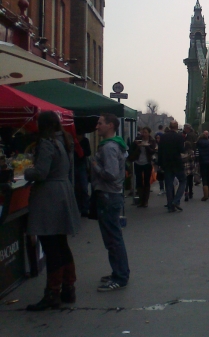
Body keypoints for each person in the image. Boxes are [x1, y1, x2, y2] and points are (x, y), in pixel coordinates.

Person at [24, 111, 81, 310]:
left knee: (51, 245)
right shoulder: (64, 141)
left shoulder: (47, 143)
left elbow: (41, 172)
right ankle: (68, 288)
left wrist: (26, 171)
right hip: (63, 192)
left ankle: (52, 293)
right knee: (61, 243)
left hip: (49, 197)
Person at [92, 113, 130, 292]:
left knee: (113, 239)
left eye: (100, 123)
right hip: (113, 195)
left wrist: (95, 166)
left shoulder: (108, 148)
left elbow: (111, 174)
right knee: (114, 238)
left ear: (110, 126)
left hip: (108, 195)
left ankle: (120, 277)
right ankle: (119, 272)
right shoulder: (117, 145)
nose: (97, 126)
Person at [157, 120, 186, 212]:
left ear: (169, 127)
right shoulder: (179, 137)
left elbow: (160, 151)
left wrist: (160, 164)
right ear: (177, 127)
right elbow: (182, 150)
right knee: (183, 181)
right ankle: (176, 200)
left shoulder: (163, 137)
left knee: (169, 185)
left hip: (166, 164)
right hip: (177, 163)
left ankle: (170, 206)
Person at [128, 127, 156, 208]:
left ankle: (146, 200)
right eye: (143, 132)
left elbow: (152, 151)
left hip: (147, 163)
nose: (143, 134)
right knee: (139, 181)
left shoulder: (152, 140)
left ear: (149, 133)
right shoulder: (138, 139)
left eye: (145, 132)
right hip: (138, 162)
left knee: (146, 181)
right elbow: (131, 149)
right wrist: (137, 145)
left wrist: (146, 146)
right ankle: (141, 200)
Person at [73, 132, 92, 217]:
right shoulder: (72, 140)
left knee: (84, 187)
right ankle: (77, 207)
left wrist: (80, 150)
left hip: (82, 165)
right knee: (75, 187)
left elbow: (88, 153)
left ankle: (85, 208)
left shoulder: (85, 141)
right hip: (73, 165)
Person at [195, 131, 209, 201]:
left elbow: (197, 155)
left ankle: (205, 195)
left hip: (202, 163)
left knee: (204, 178)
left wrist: (197, 161)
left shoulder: (198, 145)